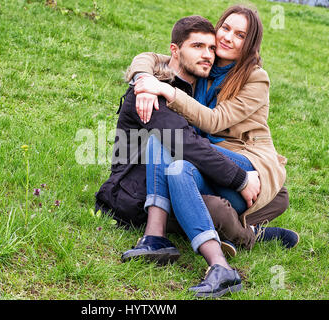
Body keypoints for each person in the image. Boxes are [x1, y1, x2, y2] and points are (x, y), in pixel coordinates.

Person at [123, 4, 299, 282]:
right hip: (206, 162)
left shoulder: (256, 78)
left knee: (171, 145)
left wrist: (165, 90)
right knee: (178, 170)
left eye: (240, 35)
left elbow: (215, 121)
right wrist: (144, 79)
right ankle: (200, 253)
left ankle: (234, 234)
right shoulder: (207, 59)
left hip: (246, 162)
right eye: (225, 28)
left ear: (249, 44)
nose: (228, 38)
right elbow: (149, 57)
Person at [95, 15, 265, 298]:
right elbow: (188, 143)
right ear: (174, 51)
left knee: (188, 171)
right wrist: (240, 179)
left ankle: (160, 240)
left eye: (211, 48)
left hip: (172, 180)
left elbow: (197, 141)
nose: (208, 55)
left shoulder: (191, 85)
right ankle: (245, 239)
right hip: (133, 193)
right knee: (207, 195)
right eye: (198, 46)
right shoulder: (150, 94)